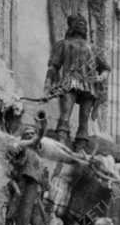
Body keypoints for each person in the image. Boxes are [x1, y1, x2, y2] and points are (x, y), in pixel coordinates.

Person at [45, 14, 110, 151]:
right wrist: (48, 84)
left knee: (84, 117)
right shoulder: (63, 44)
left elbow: (105, 68)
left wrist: (101, 77)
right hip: (70, 82)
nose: (82, 26)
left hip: (89, 85)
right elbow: (53, 66)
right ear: (72, 27)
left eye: (84, 24)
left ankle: (81, 143)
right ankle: (62, 138)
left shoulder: (93, 48)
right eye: (79, 23)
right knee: (66, 111)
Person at [4, 113, 52, 225]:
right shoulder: (21, 149)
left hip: (36, 195)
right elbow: (35, 140)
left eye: (33, 133)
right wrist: (41, 129)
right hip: (23, 193)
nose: (32, 137)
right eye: (28, 134)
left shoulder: (38, 158)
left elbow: (45, 183)